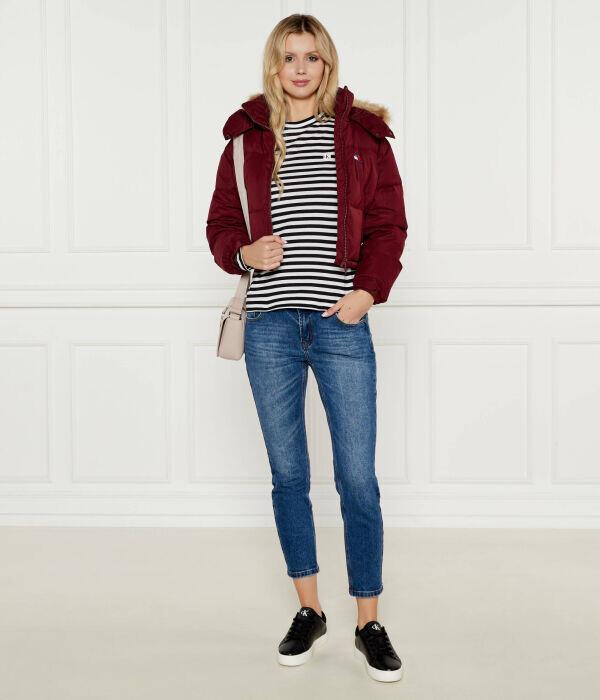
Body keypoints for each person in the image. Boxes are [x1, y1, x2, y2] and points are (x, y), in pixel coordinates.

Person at [206, 13, 407, 683]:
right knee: (289, 475)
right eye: (289, 56)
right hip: (268, 328)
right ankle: (309, 609)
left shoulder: (363, 137)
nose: (300, 68)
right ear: (274, 64)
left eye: (311, 57)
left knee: (357, 478)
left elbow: (389, 225)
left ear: (327, 63)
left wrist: (367, 293)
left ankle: (368, 622)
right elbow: (221, 224)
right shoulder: (245, 140)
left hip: (340, 324)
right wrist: (244, 252)